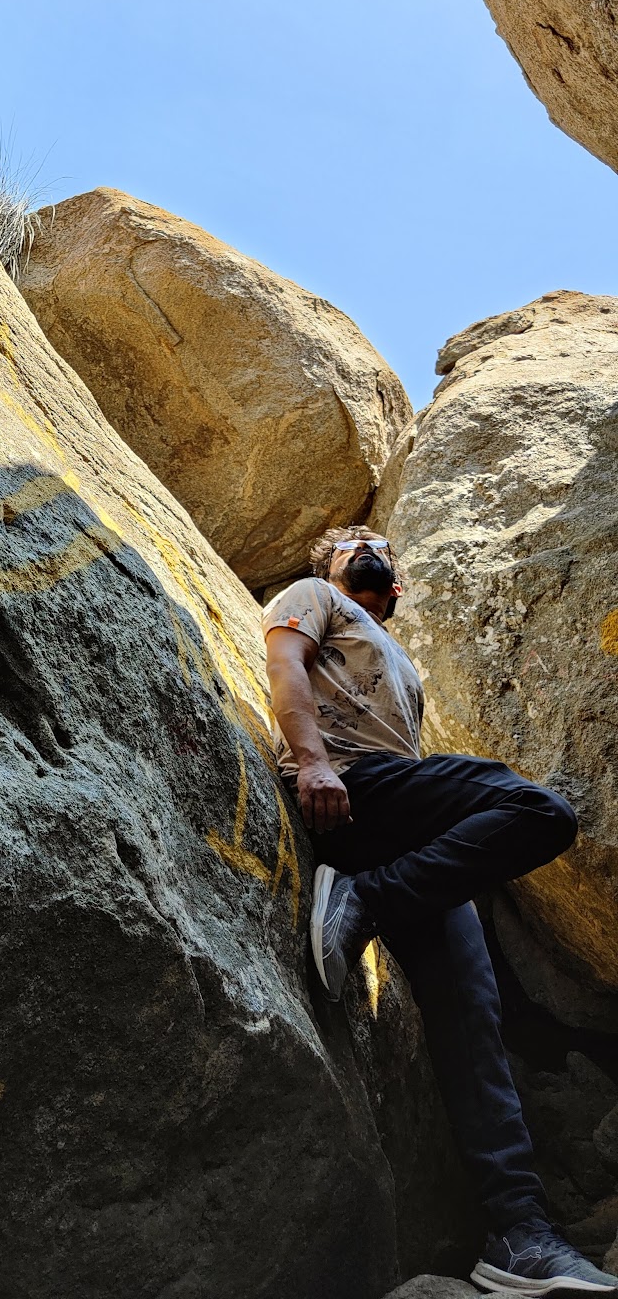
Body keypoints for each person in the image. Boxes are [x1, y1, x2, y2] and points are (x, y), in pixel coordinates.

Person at [262, 525, 618, 1297]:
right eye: (353, 540)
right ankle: (365, 899)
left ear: (396, 587)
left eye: (380, 545)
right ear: (327, 567)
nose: (367, 546)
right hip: (357, 788)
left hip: (403, 824)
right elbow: (284, 661)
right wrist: (315, 761)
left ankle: (520, 1235)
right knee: (542, 812)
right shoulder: (316, 597)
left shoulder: (399, 659)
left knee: (473, 1024)